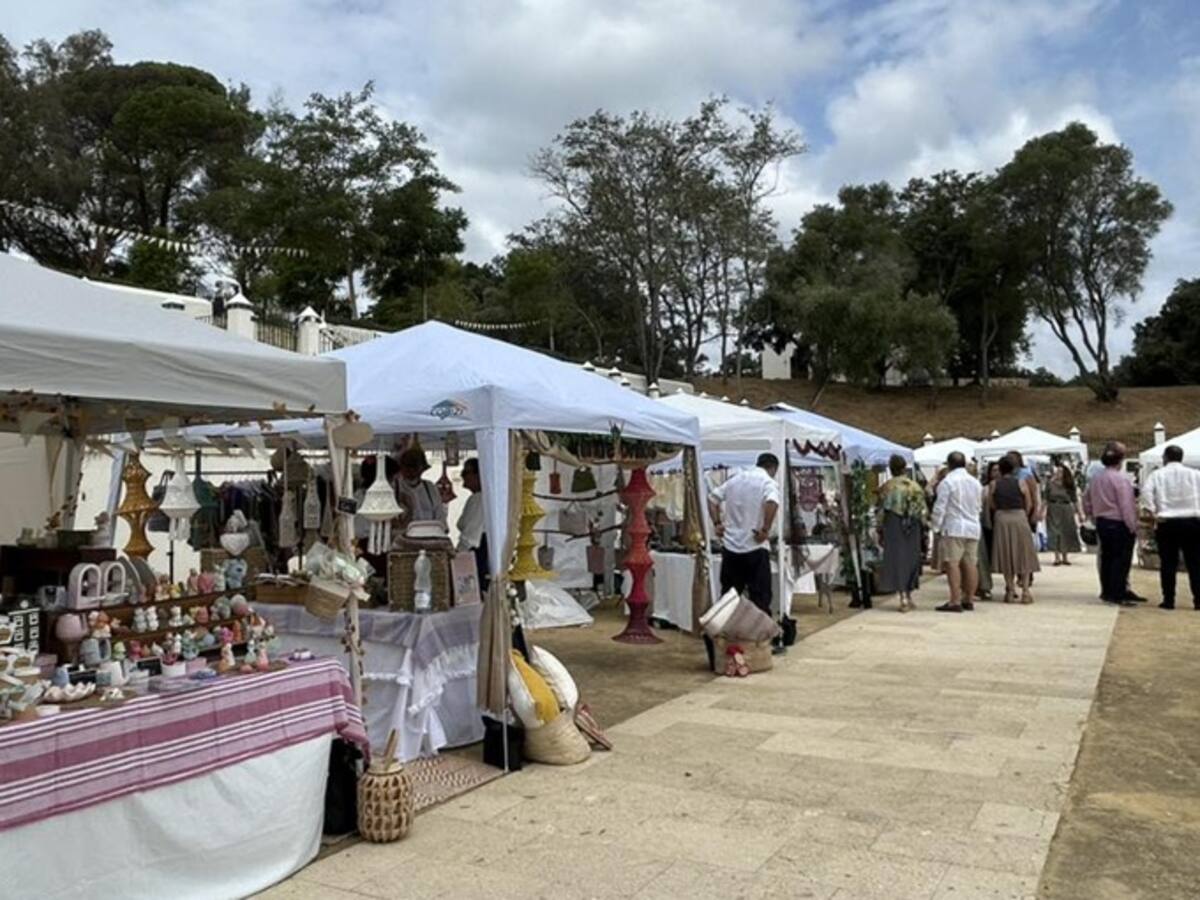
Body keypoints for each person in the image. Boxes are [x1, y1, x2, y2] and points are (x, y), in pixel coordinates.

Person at [708, 453, 781, 617]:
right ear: (773, 468)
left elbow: (712, 499)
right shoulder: (768, 482)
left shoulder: (735, 480)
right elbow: (772, 502)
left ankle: (724, 631)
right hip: (755, 546)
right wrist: (765, 529)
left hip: (731, 546)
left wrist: (717, 523)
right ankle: (758, 633)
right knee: (760, 596)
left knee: (729, 596)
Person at [1140, 444, 1200, 610]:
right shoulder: (1195, 474)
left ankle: (1169, 599)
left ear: (1165, 458)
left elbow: (1146, 492)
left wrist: (1152, 511)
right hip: (1192, 521)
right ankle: (1198, 599)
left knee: (1168, 562)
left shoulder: (1157, 475)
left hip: (1167, 521)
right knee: (1195, 563)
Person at [1083, 443, 1139, 607]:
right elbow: (1126, 504)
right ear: (1120, 461)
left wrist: (1091, 514)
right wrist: (1132, 525)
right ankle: (1118, 592)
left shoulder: (1096, 478)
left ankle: (1107, 591)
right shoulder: (1121, 479)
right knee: (1120, 560)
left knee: (1106, 558)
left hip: (1102, 521)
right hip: (1118, 522)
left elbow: (1086, 499)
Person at [931, 451, 983, 613]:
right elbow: (978, 505)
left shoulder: (947, 482)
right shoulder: (975, 483)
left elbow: (940, 507)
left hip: (954, 526)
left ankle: (954, 600)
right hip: (973, 526)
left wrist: (936, 526)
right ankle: (969, 598)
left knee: (952, 563)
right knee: (970, 564)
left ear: (949, 464)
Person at [876, 454, 925, 612]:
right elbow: (923, 511)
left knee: (897, 559)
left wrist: (879, 528)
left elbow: (881, 511)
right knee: (911, 559)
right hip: (913, 525)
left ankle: (903, 595)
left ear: (891, 469)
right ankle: (908, 595)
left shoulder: (886, 487)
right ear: (905, 467)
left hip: (893, 524)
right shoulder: (914, 486)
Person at [988, 456, 1041, 603]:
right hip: (1019, 516)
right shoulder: (1021, 482)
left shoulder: (994, 484)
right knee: (1023, 553)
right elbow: (1029, 503)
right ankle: (1025, 590)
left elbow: (992, 504)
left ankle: (1010, 590)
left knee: (1006, 554)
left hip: (1002, 518)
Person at [456, 458, 490, 592]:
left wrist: (458, 554)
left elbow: (470, 536)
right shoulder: (481, 497)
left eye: (466, 472)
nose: (463, 475)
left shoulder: (479, 499)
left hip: (476, 554)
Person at [395, 446, 447, 528]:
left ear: (422, 469)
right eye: (408, 468)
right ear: (402, 468)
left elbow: (439, 515)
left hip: (429, 536)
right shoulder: (395, 488)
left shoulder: (430, 488)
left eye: (415, 468)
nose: (411, 472)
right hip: (403, 536)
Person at [1044, 465, 1082, 566]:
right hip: (1053, 508)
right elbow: (1045, 499)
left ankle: (1065, 556)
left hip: (1066, 509)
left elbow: (1075, 500)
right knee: (1054, 532)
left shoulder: (1069, 484)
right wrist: (1040, 511)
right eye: (1057, 471)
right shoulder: (1050, 484)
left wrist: (1080, 513)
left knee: (1065, 532)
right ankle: (1057, 557)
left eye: (1060, 472)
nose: (1058, 473)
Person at [977, 461, 1000, 600]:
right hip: (988, 526)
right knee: (985, 558)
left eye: (998, 470)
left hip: (1001, 525)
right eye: (994, 470)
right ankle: (984, 586)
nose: (996, 473)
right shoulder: (984, 489)